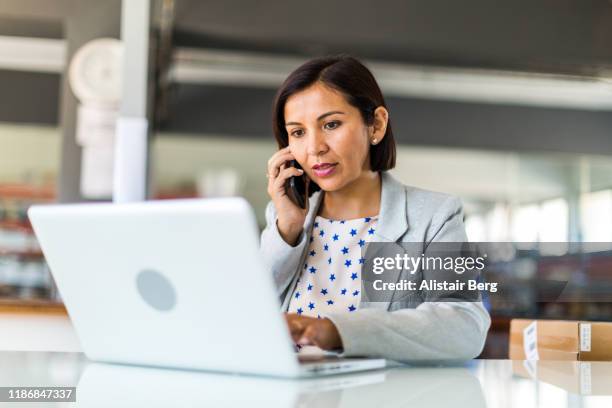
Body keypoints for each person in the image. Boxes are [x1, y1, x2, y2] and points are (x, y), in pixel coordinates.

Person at [261, 55, 490, 362]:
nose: (314, 147)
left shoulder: (434, 216)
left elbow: (465, 326)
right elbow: (249, 316)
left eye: (331, 124)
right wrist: (287, 230)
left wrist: (337, 331)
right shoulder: (283, 221)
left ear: (376, 124)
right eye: (298, 132)